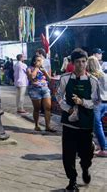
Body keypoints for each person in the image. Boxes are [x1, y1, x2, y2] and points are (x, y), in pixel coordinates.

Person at [56, 49, 100, 191]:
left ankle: (85, 168)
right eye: (77, 62)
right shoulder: (65, 78)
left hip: (86, 123)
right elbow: (58, 96)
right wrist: (67, 108)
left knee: (86, 153)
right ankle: (72, 180)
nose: (81, 64)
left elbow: (96, 101)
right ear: (72, 63)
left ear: (87, 62)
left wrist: (83, 102)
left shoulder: (93, 81)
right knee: (68, 153)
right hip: (69, 122)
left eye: (83, 61)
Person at [26, 55, 56, 132]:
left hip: (45, 89)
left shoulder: (43, 69)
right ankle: (36, 125)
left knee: (48, 108)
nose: (40, 62)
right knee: (37, 108)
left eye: (41, 60)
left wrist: (45, 72)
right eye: (38, 60)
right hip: (35, 89)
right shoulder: (29, 68)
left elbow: (49, 79)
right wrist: (36, 68)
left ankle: (48, 126)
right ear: (34, 61)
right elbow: (31, 77)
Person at [86, 56, 107, 157]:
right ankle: (100, 145)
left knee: (97, 126)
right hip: (105, 103)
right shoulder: (104, 75)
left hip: (96, 104)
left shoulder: (90, 77)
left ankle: (104, 148)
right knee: (98, 126)